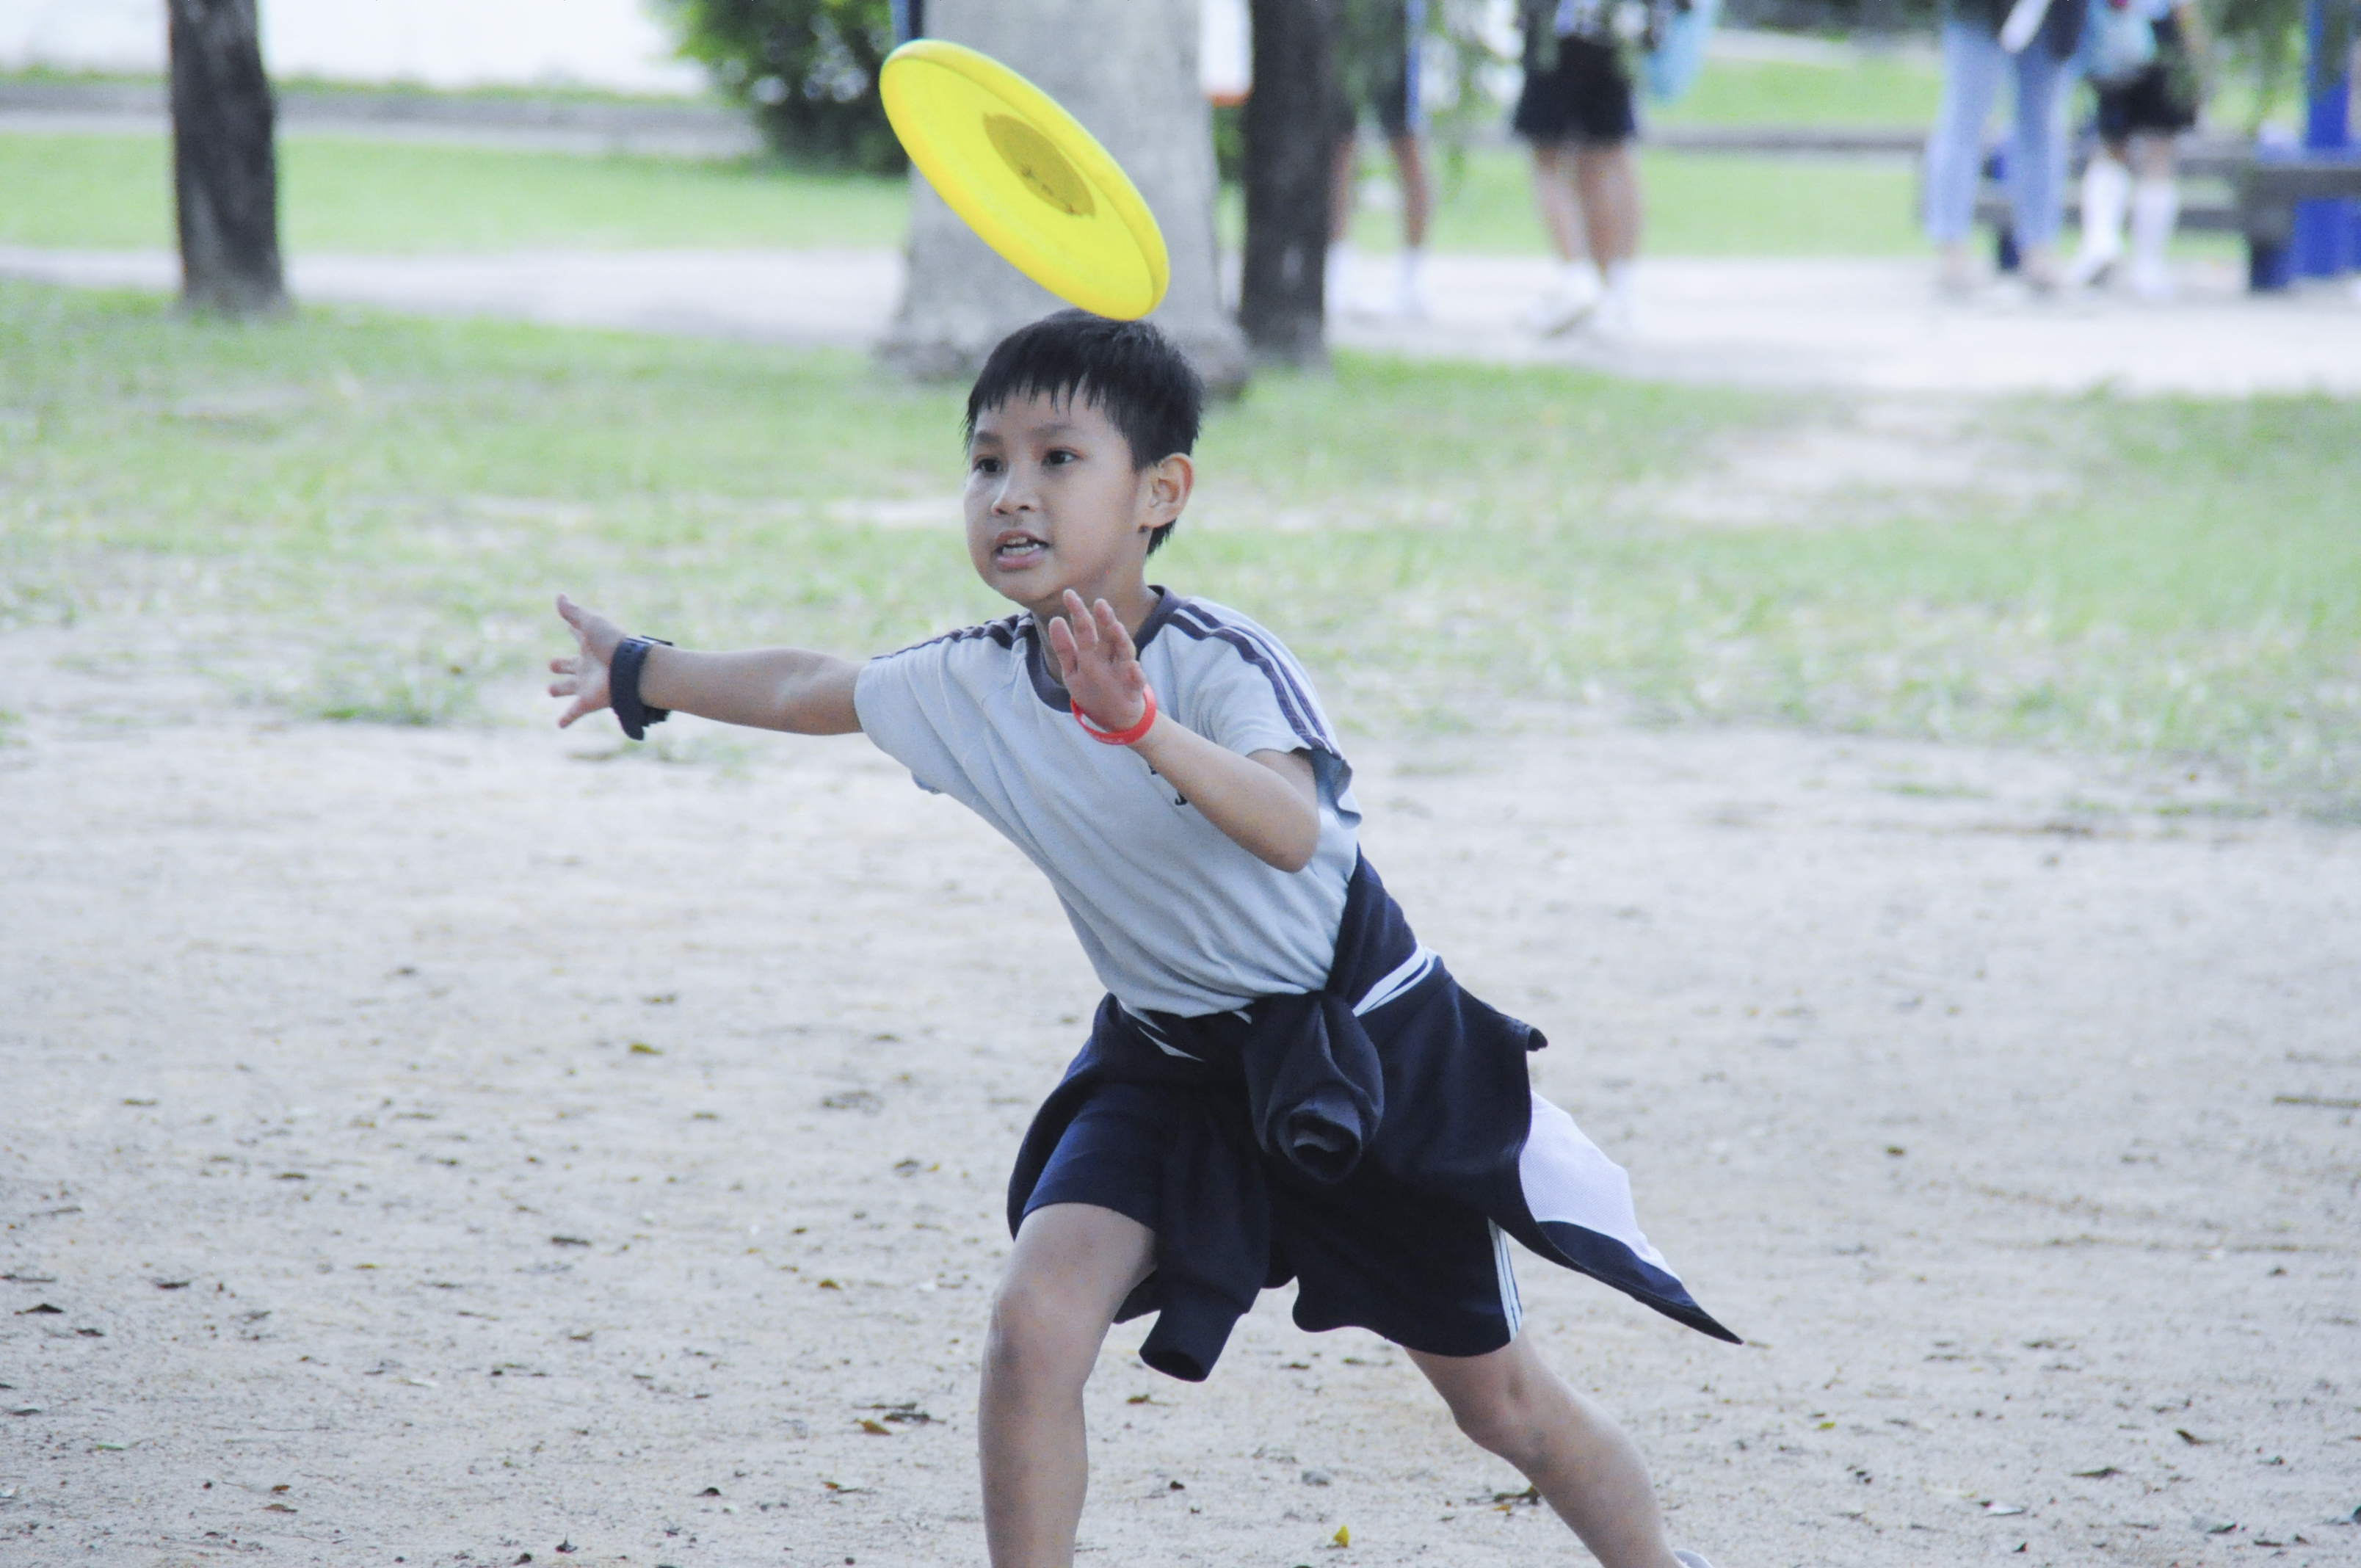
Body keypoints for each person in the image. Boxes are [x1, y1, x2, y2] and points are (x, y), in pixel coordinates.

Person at [548, 310, 1736, 1568]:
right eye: (986, 462)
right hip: (1167, 1065)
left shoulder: (1222, 662)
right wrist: (642, 671)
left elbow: (1289, 826)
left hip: (1355, 1059)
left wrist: (1141, 730)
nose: (1011, 493)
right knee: (1034, 1328)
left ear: (1161, 491)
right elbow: (808, 688)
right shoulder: (973, 682)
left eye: (1058, 458)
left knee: (1503, 1409)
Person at [1922, 0, 2086, 294]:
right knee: (1964, 122)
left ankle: (2039, 250)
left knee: (2043, 129)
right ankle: (1951, 251)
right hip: (1980, 11)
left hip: (2052, 13)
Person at [1513, 0, 1647, 337]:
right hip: (1617, 26)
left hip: (1563, 24)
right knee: (1606, 155)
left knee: (1550, 158)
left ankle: (1580, 279)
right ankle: (1617, 289)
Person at [2067, 0, 2209, 299]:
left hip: (2121, 24)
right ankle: (2125, 254)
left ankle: (2112, 247)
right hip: (2132, 26)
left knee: (2120, 145)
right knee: (2147, 150)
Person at [1326, 0, 1435, 319]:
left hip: (1396, 16)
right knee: (1339, 142)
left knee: (1406, 139)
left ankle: (1412, 279)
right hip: (1345, 14)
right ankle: (1338, 269)